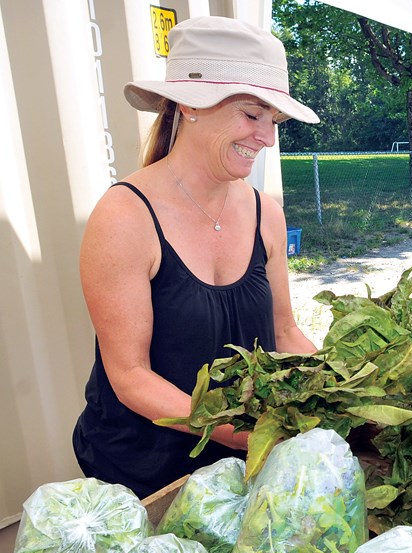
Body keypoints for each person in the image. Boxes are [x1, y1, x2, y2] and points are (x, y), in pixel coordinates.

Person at [72, 16, 319, 498]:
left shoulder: (264, 212)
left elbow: (285, 331)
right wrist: (249, 436)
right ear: (190, 105)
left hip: (238, 465)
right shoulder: (124, 216)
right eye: (252, 115)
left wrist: (344, 393)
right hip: (143, 472)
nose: (267, 138)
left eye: (274, 121)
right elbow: (130, 377)